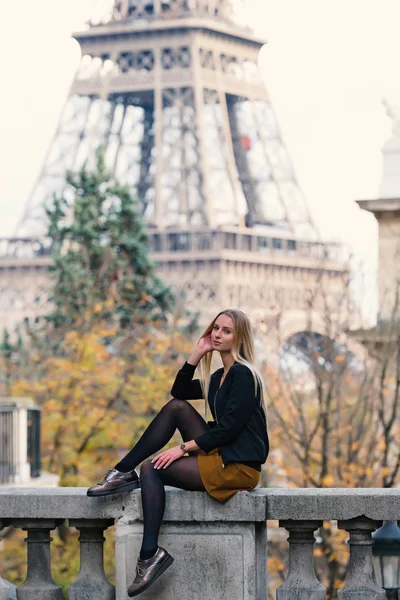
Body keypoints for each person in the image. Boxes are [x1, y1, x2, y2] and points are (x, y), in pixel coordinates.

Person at [87, 309, 269, 597]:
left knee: (151, 469)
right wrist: (196, 355)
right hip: (222, 454)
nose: (218, 335)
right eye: (216, 329)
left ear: (240, 337)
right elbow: (179, 391)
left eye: (227, 331)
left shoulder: (244, 375)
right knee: (176, 408)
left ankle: (149, 555)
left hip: (237, 466)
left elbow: (230, 430)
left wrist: (181, 448)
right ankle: (123, 472)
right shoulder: (220, 376)